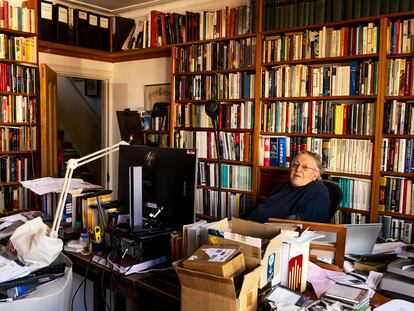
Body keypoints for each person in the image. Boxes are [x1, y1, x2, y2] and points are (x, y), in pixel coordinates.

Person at [248, 150, 331, 223]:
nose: (298, 169)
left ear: (315, 175)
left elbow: (308, 228)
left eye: (305, 167)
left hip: (272, 236)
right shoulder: (285, 185)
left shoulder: (318, 193)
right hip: (248, 226)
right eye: (295, 165)